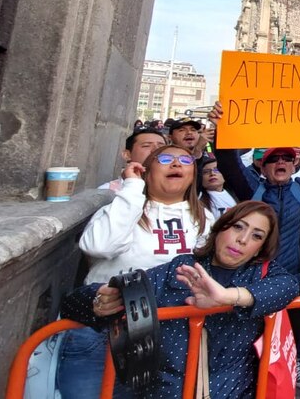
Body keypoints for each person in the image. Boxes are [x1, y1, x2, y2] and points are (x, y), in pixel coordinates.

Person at [61, 201, 298, 398]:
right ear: (219, 229)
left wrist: (227, 297)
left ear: (259, 249)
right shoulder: (181, 268)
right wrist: (100, 300)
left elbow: (287, 287)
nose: (243, 239)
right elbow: (76, 302)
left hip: (230, 390)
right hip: (166, 391)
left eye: (256, 236)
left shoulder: (262, 275)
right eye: (237, 227)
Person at [60, 145, 213, 398]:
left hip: (173, 337)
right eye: (165, 159)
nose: (176, 164)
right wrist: (132, 189)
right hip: (106, 334)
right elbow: (99, 246)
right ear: (148, 171)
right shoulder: (123, 206)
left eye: (185, 160)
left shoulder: (205, 218)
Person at [208, 101, 300, 389]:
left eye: (287, 158)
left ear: (294, 165)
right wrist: (221, 130)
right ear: (263, 166)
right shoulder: (251, 189)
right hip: (259, 277)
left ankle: (298, 363)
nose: (281, 162)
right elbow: (228, 163)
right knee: (258, 328)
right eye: (274, 159)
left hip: (298, 274)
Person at [98, 127, 168, 191]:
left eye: (161, 146)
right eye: (146, 146)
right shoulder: (109, 191)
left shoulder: (175, 189)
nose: (156, 150)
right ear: (127, 155)